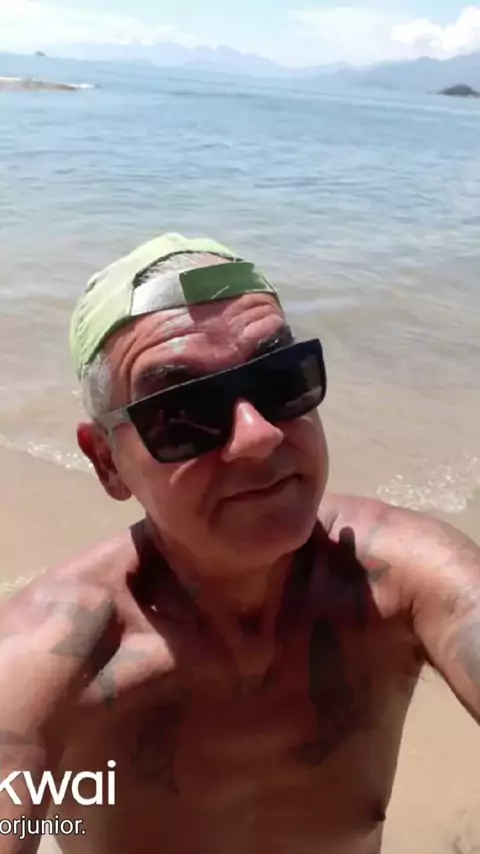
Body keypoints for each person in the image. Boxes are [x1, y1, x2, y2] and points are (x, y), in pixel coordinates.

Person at [0, 232, 479, 854]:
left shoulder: (405, 581)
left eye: (281, 380)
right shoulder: (52, 661)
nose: (258, 437)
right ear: (107, 463)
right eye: (183, 412)